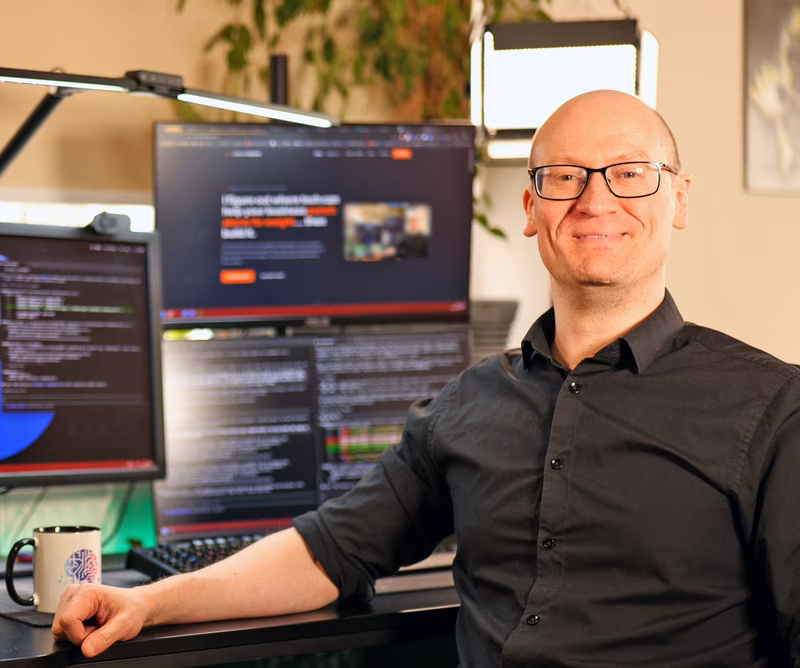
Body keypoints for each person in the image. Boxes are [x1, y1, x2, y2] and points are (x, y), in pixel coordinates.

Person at [52, 90, 800, 667]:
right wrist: (148, 602)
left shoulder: (769, 409)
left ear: (678, 200)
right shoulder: (471, 403)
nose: (595, 199)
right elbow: (327, 554)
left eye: (630, 174)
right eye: (565, 176)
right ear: (532, 208)